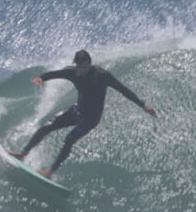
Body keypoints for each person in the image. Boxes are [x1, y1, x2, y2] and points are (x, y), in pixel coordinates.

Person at [10, 49, 156, 178]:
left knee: (69, 139)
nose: (82, 71)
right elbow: (55, 74)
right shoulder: (72, 72)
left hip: (91, 118)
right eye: (79, 67)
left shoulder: (101, 75)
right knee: (46, 127)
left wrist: (142, 105)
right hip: (77, 110)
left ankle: (50, 172)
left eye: (85, 67)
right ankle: (23, 154)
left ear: (90, 63)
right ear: (75, 64)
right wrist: (42, 78)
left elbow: (123, 90)